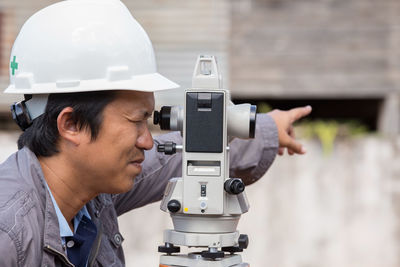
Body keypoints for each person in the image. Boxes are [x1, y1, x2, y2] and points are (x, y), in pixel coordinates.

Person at [0, 0, 312, 266]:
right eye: (137, 121)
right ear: (71, 125)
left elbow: (174, 158)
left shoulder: (90, 192)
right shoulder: (9, 236)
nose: (148, 141)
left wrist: (267, 129)